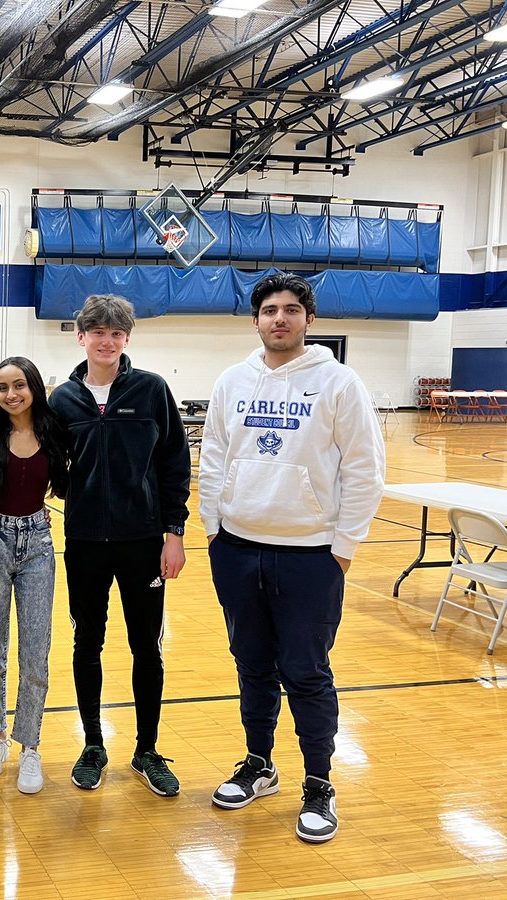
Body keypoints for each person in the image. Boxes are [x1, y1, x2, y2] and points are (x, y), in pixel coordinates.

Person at [199, 273, 384, 844]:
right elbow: (212, 457)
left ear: (309, 319)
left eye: (291, 310)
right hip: (238, 548)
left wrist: (342, 550)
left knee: (306, 672)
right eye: (269, 310)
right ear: (256, 320)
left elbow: (365, 469)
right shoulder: (233, 380)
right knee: (252, 666)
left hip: (310, 556)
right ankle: (259, 764)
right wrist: (214, 531)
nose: (279, 318)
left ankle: (319, 783)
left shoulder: (339, 383)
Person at [48, 294, 191, 798]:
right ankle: (92, 744)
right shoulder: (63, 400)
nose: (106, 342)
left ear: (127, 338)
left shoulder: (151, 390)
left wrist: (174, 534)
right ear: (81, 336)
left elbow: (174, 464)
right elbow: (51, 465)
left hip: (143, 542)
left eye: (116, 333)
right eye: (98, 332)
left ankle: (147, 749)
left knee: (145, 646)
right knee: (87, 643)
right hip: (85, 542)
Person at [0, 357, 68, 794]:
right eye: (2, 387)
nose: (11, 394)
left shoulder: (53, 430)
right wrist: (3, 514)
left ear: (34, 388)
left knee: (35, 651)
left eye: (19, 385)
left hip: (39, 544)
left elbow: (65, 481)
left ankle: (30, 744)